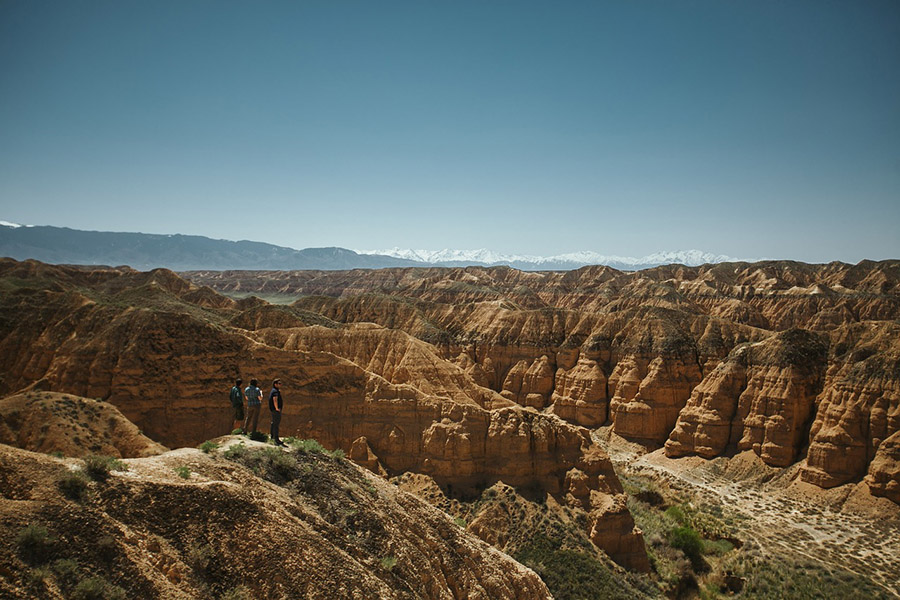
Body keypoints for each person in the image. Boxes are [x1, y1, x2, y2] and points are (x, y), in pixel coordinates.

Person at [269, 378, 285, 447]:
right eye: (279, 384)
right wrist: (277, 408)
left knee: (274, 423)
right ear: (275, 384)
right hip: (275, 410)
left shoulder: (274, 390)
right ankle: (276, 439)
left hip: (273, 410)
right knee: (276, 423)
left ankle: (273, 437)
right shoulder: (275, 391)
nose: (280, 385)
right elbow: (275, 399)